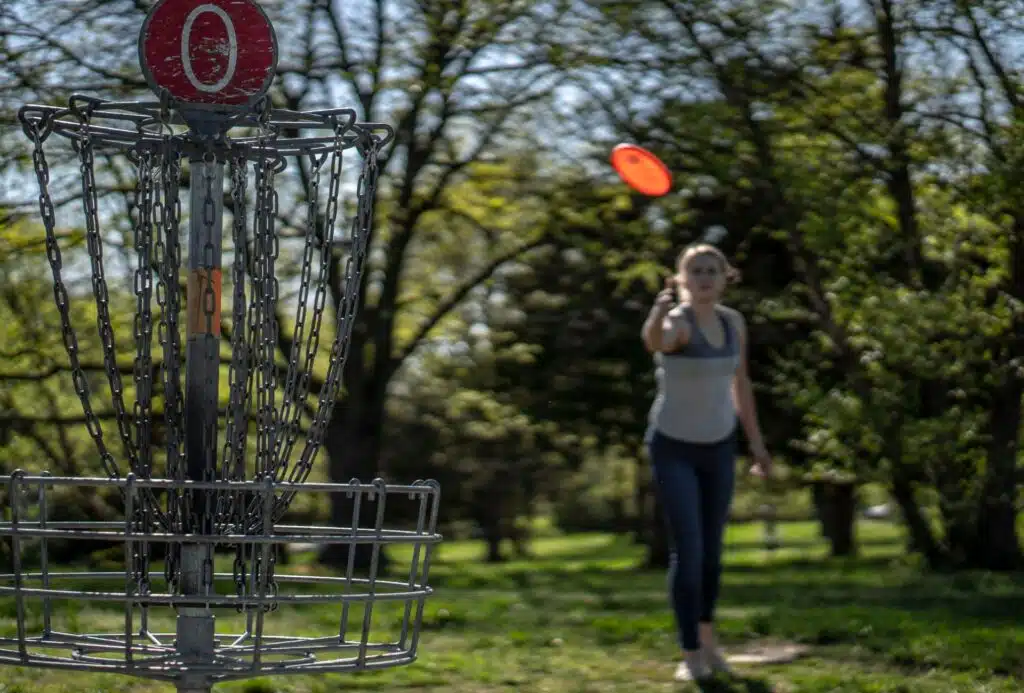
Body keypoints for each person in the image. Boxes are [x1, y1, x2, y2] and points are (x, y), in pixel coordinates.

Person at [640, 243, 771, 682]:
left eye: (712, 270)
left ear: (725, 276)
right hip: (673, 445)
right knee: (690, 549)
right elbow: (656, 341)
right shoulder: (677, 321)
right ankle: (690, 653)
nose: (704, 277)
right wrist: (658, 315)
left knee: (712, 554)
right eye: (695, 270)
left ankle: (710, 641)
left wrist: (756, 445)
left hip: (718, 446)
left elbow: (741, 384)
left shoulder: (734, 323)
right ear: (681, 279)